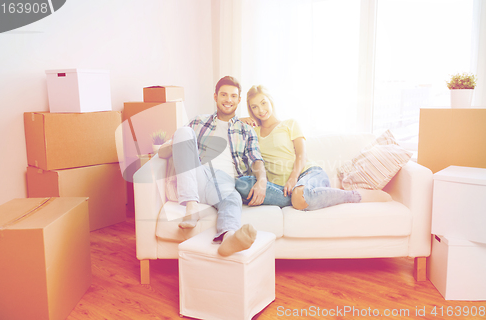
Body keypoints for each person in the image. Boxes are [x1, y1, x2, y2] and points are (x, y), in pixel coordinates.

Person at [157, 76, 268, 256]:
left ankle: (228, 238)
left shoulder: (246, 130)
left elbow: (256, 159)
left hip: (226, 182)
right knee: (184, 131)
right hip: (197, 176)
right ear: (215, 96)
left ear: (239, 100)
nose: (228, 100)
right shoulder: (198, 122)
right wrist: (177, 141)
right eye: (224, 95)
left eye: (233, 96)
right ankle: (191, 207)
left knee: (233, 199)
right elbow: (163, 152)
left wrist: (262, 180)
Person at [236, 85, 392, 210]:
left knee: (298, 195)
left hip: (308, 173)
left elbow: (301, 154)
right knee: (241, 184)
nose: (261, 110)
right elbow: (223, 124)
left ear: (270, 101)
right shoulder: (253, 132)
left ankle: (354, 195)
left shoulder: (289, 124)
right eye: (254, 107)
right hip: (279, 187)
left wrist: (293, 178)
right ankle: (305, 197)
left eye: (263, 103)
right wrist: (239, 119)